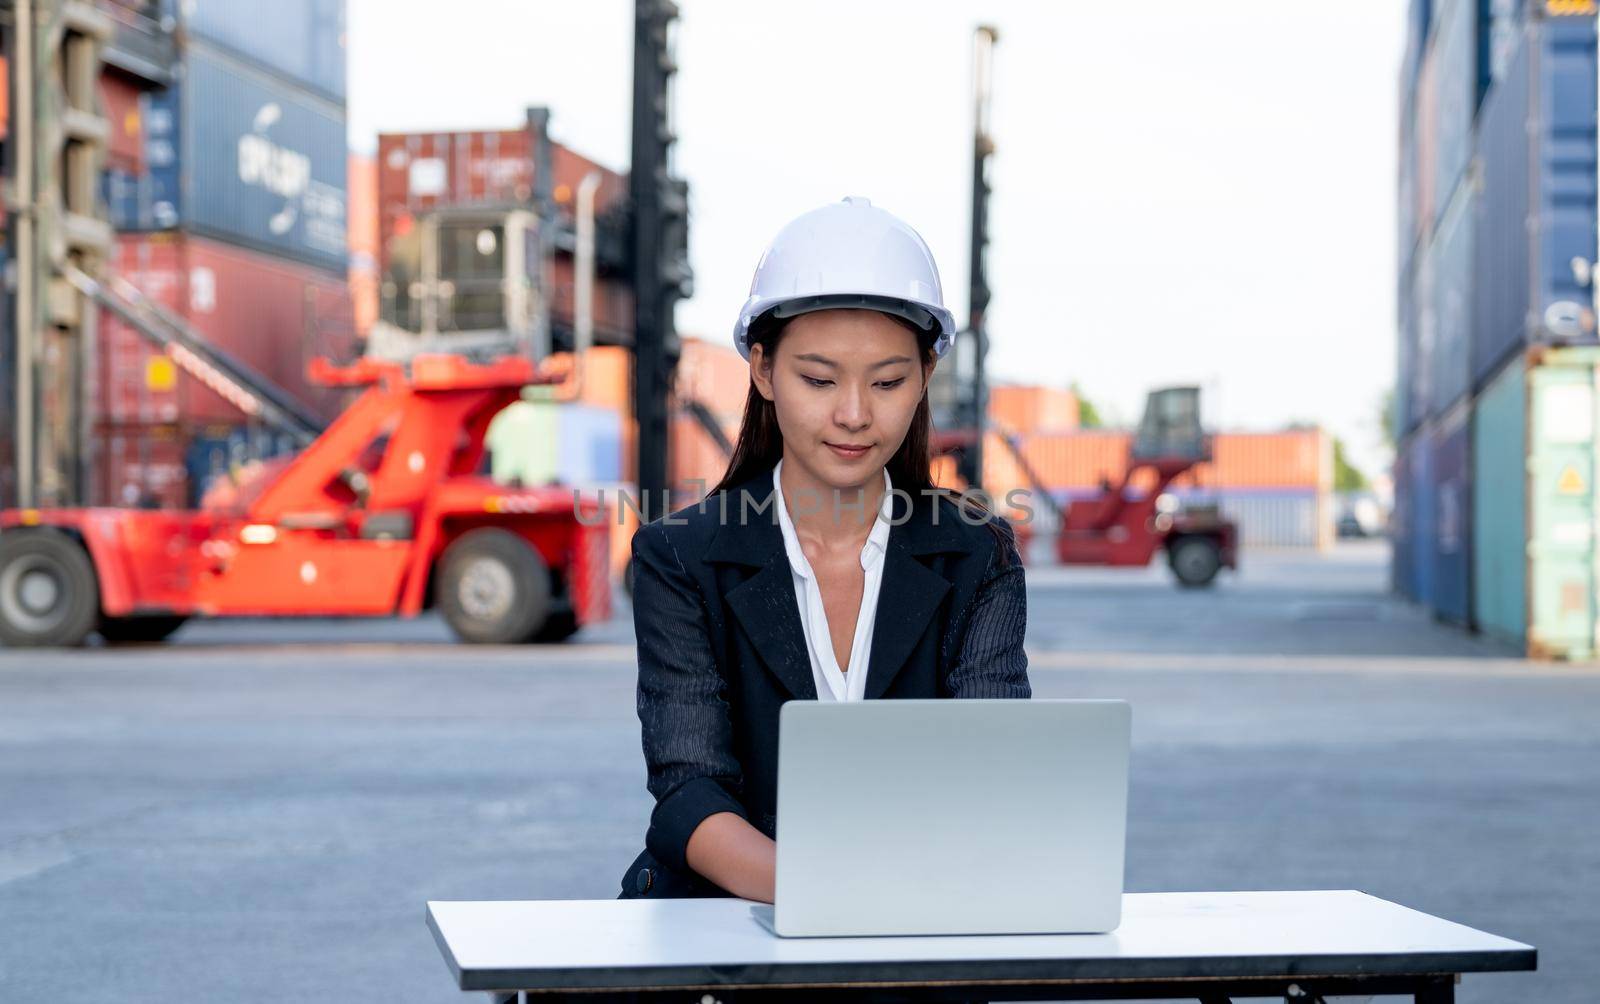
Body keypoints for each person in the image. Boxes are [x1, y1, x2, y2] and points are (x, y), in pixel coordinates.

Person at [618, 196, 1031, 903]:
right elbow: (691, 791)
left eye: (888, 381)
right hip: (729, 935)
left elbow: (993, 770)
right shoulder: (680, 558)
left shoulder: (977, 558)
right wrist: (834, 898)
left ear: (926, 374)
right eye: (818, 378)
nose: (854, 414)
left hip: (925, 921)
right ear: (763, 370)